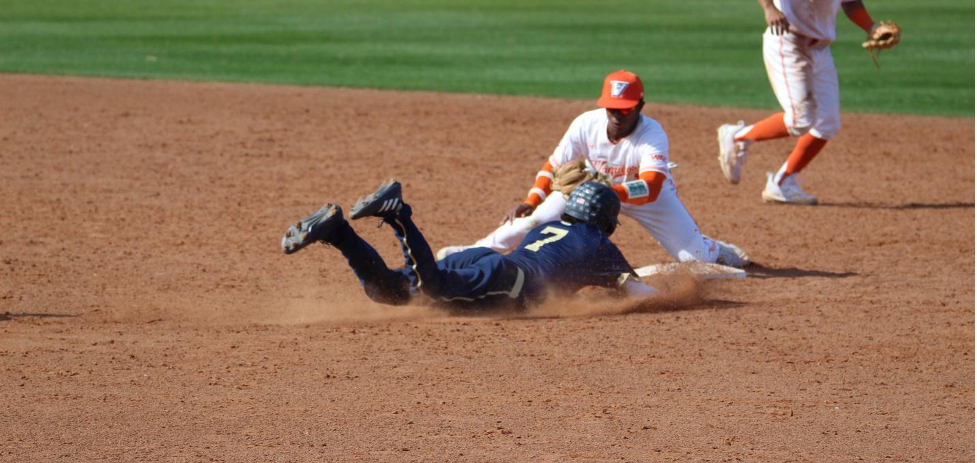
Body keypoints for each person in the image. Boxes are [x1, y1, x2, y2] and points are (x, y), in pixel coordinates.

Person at [436, 70, 750, 268]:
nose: (617, 115)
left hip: (645, 198)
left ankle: (713, 247)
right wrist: (533, 199)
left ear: (640, 106)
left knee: (697, 261)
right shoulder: (586, 124)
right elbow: (554, 165)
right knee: (531, 220)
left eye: (625, 109)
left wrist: (605, 192)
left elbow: (652, 185)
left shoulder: (652, 134)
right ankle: (470, 253)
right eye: (612, 108)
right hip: (590, 194)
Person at [280, 179, 657, 311]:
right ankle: (398, 215)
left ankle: (338, 233)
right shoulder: (598, 244)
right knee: (432, 287)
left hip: (489, 260)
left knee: (392, 292)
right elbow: (640, 293)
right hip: (508, 282)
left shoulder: (550, 226)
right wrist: (683, 293)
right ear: (606, 221)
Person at [716, 0, 891, 205]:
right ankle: (736, 136)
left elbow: (851, 3)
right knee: (800, 120)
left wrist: (871, 26)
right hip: (788, 42)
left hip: (820, 50)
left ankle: (782, 182)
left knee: (827, 124)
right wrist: (769, 8)